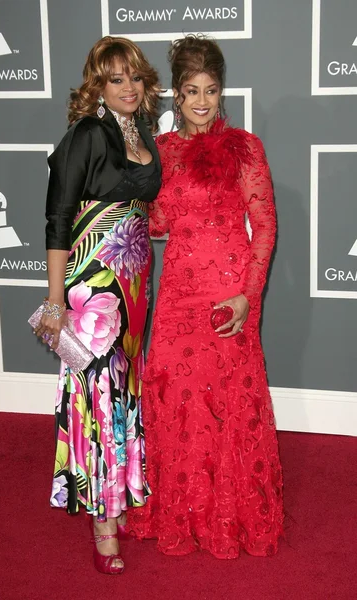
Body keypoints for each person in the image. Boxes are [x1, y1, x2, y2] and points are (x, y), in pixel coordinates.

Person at [127, 35, 284, 559]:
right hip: (178, 294)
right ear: (176, 93)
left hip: (228, 291)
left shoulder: (245, 147)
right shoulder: (164, 150)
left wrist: (247, 296)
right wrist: (125, 191)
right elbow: (162, 221)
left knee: (229, 406)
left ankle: (229, 515)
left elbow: (264, 226)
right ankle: (185, 511)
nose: (201, 101)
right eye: (191, 90)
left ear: (222, 93)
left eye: (210, 91)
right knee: (177, 400)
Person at [34, 36, 161, 574]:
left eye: (134, 77)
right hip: (93, 282)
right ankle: (101, 518)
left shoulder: (144, 132)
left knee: (122, 388)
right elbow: (59, 217)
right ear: (98, 86)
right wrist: (57, 298)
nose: (128, 87)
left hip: (134, 283)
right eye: (116, 79)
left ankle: (122, 487)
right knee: (95, 392)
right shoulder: (87, 134)